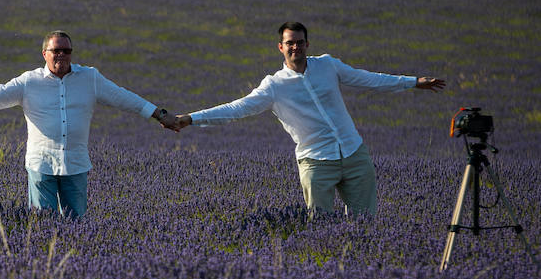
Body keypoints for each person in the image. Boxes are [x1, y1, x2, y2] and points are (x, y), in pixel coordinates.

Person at [173, 21, 445, 217]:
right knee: (321, 229)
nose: (296, 47)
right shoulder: (274, 86)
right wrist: (191, 118)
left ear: (307, 44)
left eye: (300, 42)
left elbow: (368, 79)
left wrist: (412, 82)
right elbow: (236, 109)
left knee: (366, 225)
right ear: (280, 47)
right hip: (316, 162)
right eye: (289, 43)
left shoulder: (328, 65)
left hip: (354, 154)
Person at [0, 31, 180, 218]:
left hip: (76, 163)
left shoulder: (90, 78)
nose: (61, 54)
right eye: (56, 50)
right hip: (41, 164)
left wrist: (159, 114)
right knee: (43, 224)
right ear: (44, 54)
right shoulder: (29, 82)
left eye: (66, 50)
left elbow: (124, 97)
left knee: (76, 225)